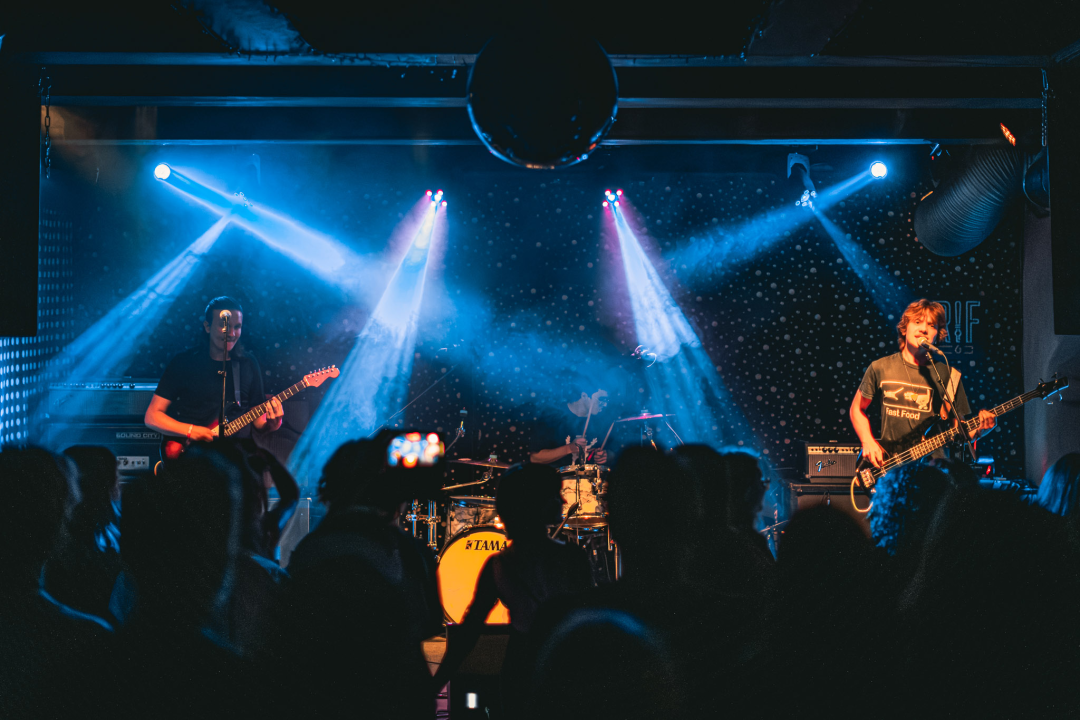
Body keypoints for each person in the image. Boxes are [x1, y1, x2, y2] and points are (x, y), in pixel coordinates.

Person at [432, 463, 593, 711]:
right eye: (554, 494)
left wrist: (436, 684)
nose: (562, 500)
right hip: (566, 668)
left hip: (520, 668)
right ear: (537, 504)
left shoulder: (499, 565)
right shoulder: (573, 558)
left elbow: (470, 630)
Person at [850, 298, 996, 468]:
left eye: (932, 325)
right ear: (904, 328)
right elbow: (856, 408)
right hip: (891, 467)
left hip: (933, 472)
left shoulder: (949, 375)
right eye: (918, 322)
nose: (924, 329)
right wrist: (867, 441)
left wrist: (982, 428)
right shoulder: (880, 367)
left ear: (937, 335)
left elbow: (959, 432)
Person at [144, 296, 283, 448]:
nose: (231, 333)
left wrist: (271, 424)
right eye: (225, 326)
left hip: (236, 455)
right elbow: (152, 416)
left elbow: (257, 419)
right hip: (192, 455)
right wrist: (191, 431)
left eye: (237, 327)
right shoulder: (184, 362)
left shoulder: (248, 363)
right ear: (207, 326)